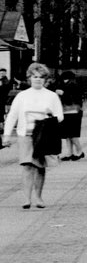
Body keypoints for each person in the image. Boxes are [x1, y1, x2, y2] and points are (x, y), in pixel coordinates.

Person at [2, 62, 65, 209]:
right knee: (27, 166)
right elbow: (12, 116)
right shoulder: (22, 96)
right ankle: (26, 198)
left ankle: (38, 197)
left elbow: (60, 116)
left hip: (43, 136)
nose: (38, 79)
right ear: (29, 78)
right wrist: (6, 135)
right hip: (26, 135)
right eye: (34, 77)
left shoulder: (52, 96)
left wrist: (50, 114)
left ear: (45, 80)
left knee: (40, 167)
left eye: (41, 77)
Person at [56, 70, 85, 161]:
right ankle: (70, 153)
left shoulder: (72, 86)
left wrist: (63, 93)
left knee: (72, 134)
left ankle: (79, 152)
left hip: (72, 112)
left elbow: (72, 98)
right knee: (68, 134)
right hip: (70, 112)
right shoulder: (72, 84)